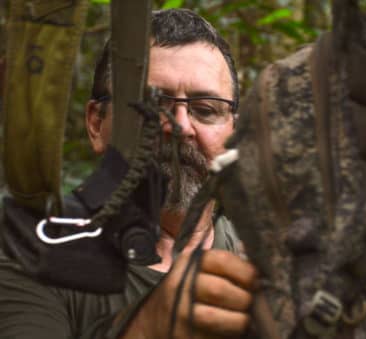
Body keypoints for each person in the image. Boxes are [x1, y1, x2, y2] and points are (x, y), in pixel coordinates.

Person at [0, 9, 257, 339]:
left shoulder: (264, 248)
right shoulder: (33, 252)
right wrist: (147, 328)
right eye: (150, 106)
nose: (179, 127)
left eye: (205, 110)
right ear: (96, 123)